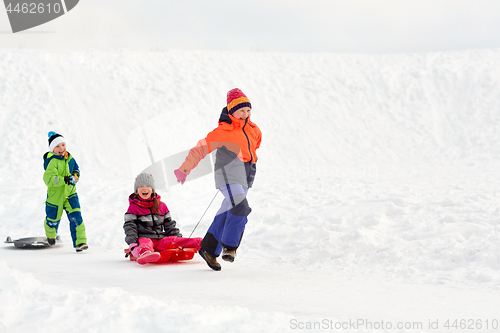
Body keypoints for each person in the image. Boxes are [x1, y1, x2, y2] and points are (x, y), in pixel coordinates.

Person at [174, 88, 262, 271]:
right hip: (229, 175)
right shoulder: (222, 131)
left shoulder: (254, 129)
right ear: (231, 111)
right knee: (240, 207)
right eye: (241, 110)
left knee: (227, 211)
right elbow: (201, 149)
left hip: (246, 175)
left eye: (248, 110)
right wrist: (185, 168)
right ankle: (230, 247)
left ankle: (209, 249)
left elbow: (255, 146)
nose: (245, 114)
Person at [124, 173, 201, 265]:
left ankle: (201, 243)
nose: (145, 188)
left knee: (172, 240)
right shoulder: (133, 208)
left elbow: (169, 225)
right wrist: (133, 244)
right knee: (146, 242)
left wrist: (176, 239)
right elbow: (130, 228)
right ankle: (146, 253)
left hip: (160, 239)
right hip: (143, 239)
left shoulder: (162, 206)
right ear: (137, 190)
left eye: (148, 186)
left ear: (152, 190)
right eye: (141, 186)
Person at [43, 131, 88, 252]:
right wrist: (64, 179)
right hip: (55, 196)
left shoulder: (70, 158)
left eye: (63, 145)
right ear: (52, 149)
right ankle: (51, 235)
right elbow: (48, 179)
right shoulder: (52, 161)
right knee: (53, 219)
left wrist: (75, 177)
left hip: (70, 193)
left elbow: (76, 169)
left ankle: (80, 242)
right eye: (57, 146)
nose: (61, 148)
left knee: (76, 216)